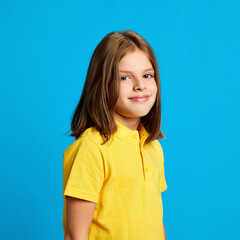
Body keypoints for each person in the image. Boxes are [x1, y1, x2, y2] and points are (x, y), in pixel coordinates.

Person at [63, 30, 168, 240]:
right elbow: (75, 235)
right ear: (102, 84)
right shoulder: (92, 148)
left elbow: (155, 222)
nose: (140, 85)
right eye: (125, 77)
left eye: (147, 75)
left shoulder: (152, 146)